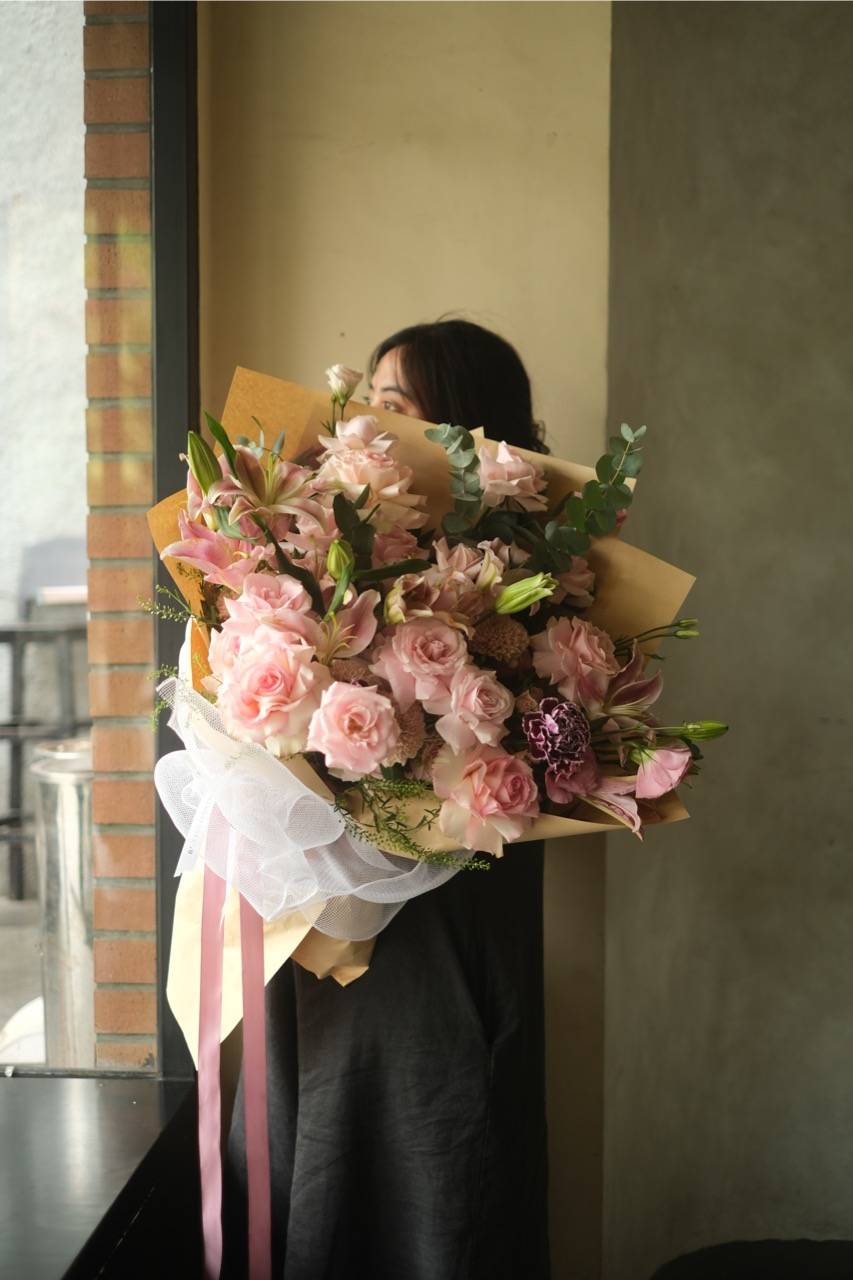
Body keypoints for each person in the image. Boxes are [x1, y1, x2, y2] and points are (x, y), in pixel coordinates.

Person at [223, 319, 550, 1280]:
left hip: (442, 923)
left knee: (440, 1164)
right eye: (364, 397)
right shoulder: (321, 545)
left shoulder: (522, 583)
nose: (364, 420)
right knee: (313, 1156)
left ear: (463, 428)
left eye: (394, 404)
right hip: (321, 916)